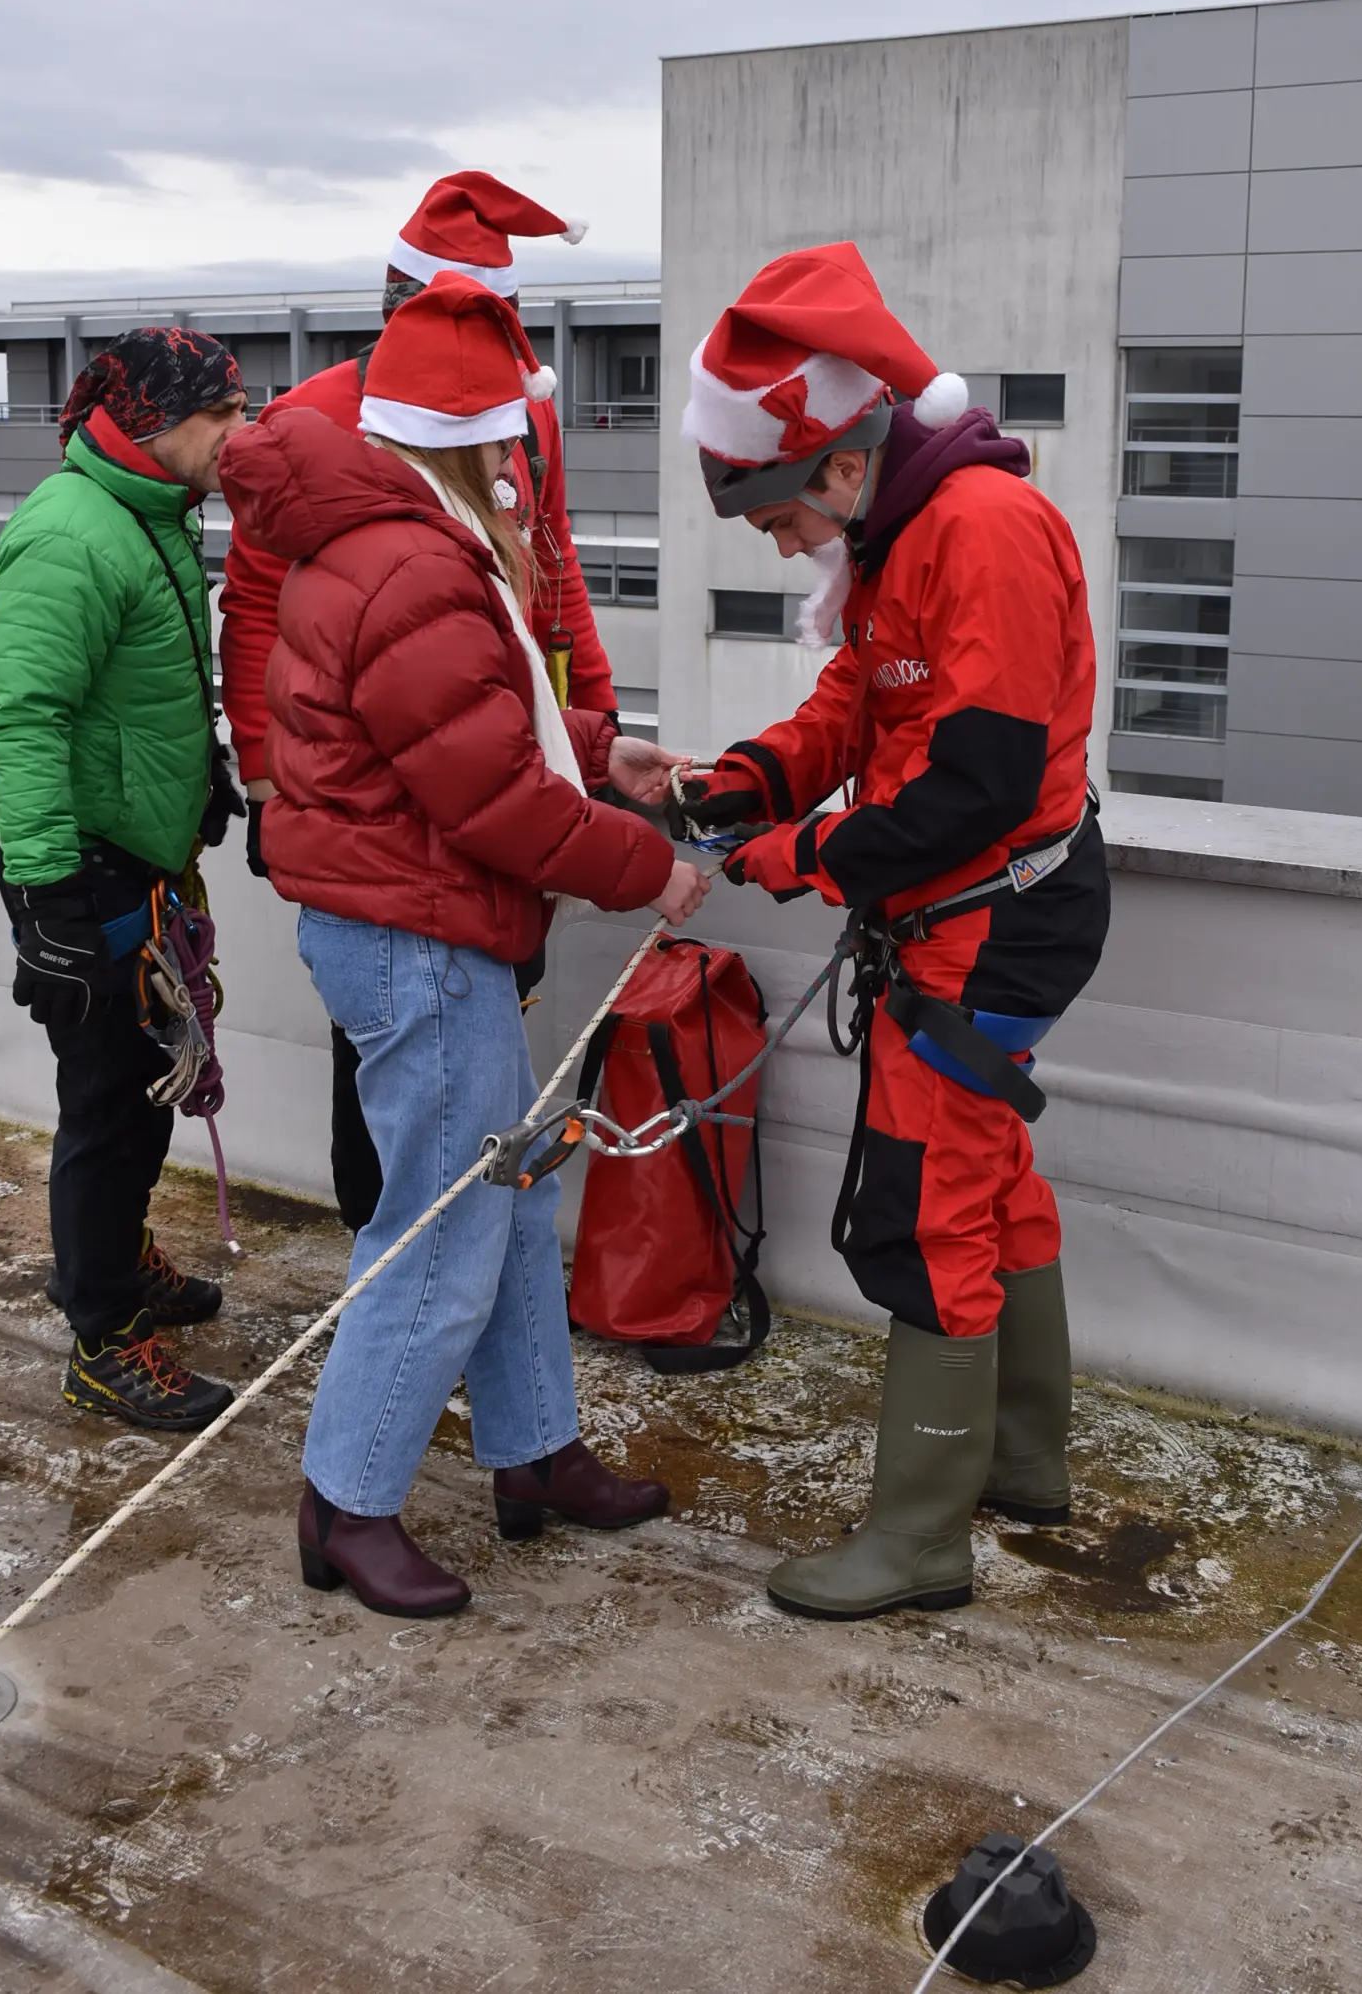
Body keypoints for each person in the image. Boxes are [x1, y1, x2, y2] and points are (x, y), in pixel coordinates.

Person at [219, 270, 709, 1618]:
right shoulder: (418, 557)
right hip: (417, 934)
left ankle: (533, 1450)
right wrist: (648, 865)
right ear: (470, 429)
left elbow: (492, 719)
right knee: (438, 1224)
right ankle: (349, 1498)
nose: (521, 458)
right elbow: (489, 792)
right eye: (508, 434)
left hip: (411, 924)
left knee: (507, 1195)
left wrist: (610, 753)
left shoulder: (407, 534)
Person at [680, 243, 1110, 1619]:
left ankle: (922, 1536)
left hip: (996, 915)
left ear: (844, 460)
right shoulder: (904, 538)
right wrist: (737, 782)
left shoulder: (978, 529)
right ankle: (1024, 1462)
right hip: (979, 909)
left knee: (928, 1207)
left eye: (781, 519)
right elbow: (854, 712)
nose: (786, 543)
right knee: (989, 1182)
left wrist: (796, 853)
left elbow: (973, 782)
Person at [220, 171, 615, 1232]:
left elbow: (554, 570)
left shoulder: (518, 422)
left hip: (490, 729)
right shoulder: (316, 425)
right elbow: (255, 609)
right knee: (389, 1038)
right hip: (375, 785)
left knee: (499, 999)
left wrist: (595, 724)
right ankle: (388, 1247)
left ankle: (466, 1261)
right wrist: (266, 777)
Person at [0, 329, 249, 1430]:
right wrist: (47, 911)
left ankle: (120, 1259)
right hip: (82, 874)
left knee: (150, 1085)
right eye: (225, 412)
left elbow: (144, 690)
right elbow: (24, 723)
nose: (241, 431)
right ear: (160, 419)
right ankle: (101, 1335)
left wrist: (201, 779)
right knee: (109, 1108)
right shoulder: (71, 536)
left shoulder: (153, 515)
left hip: (141, 863)